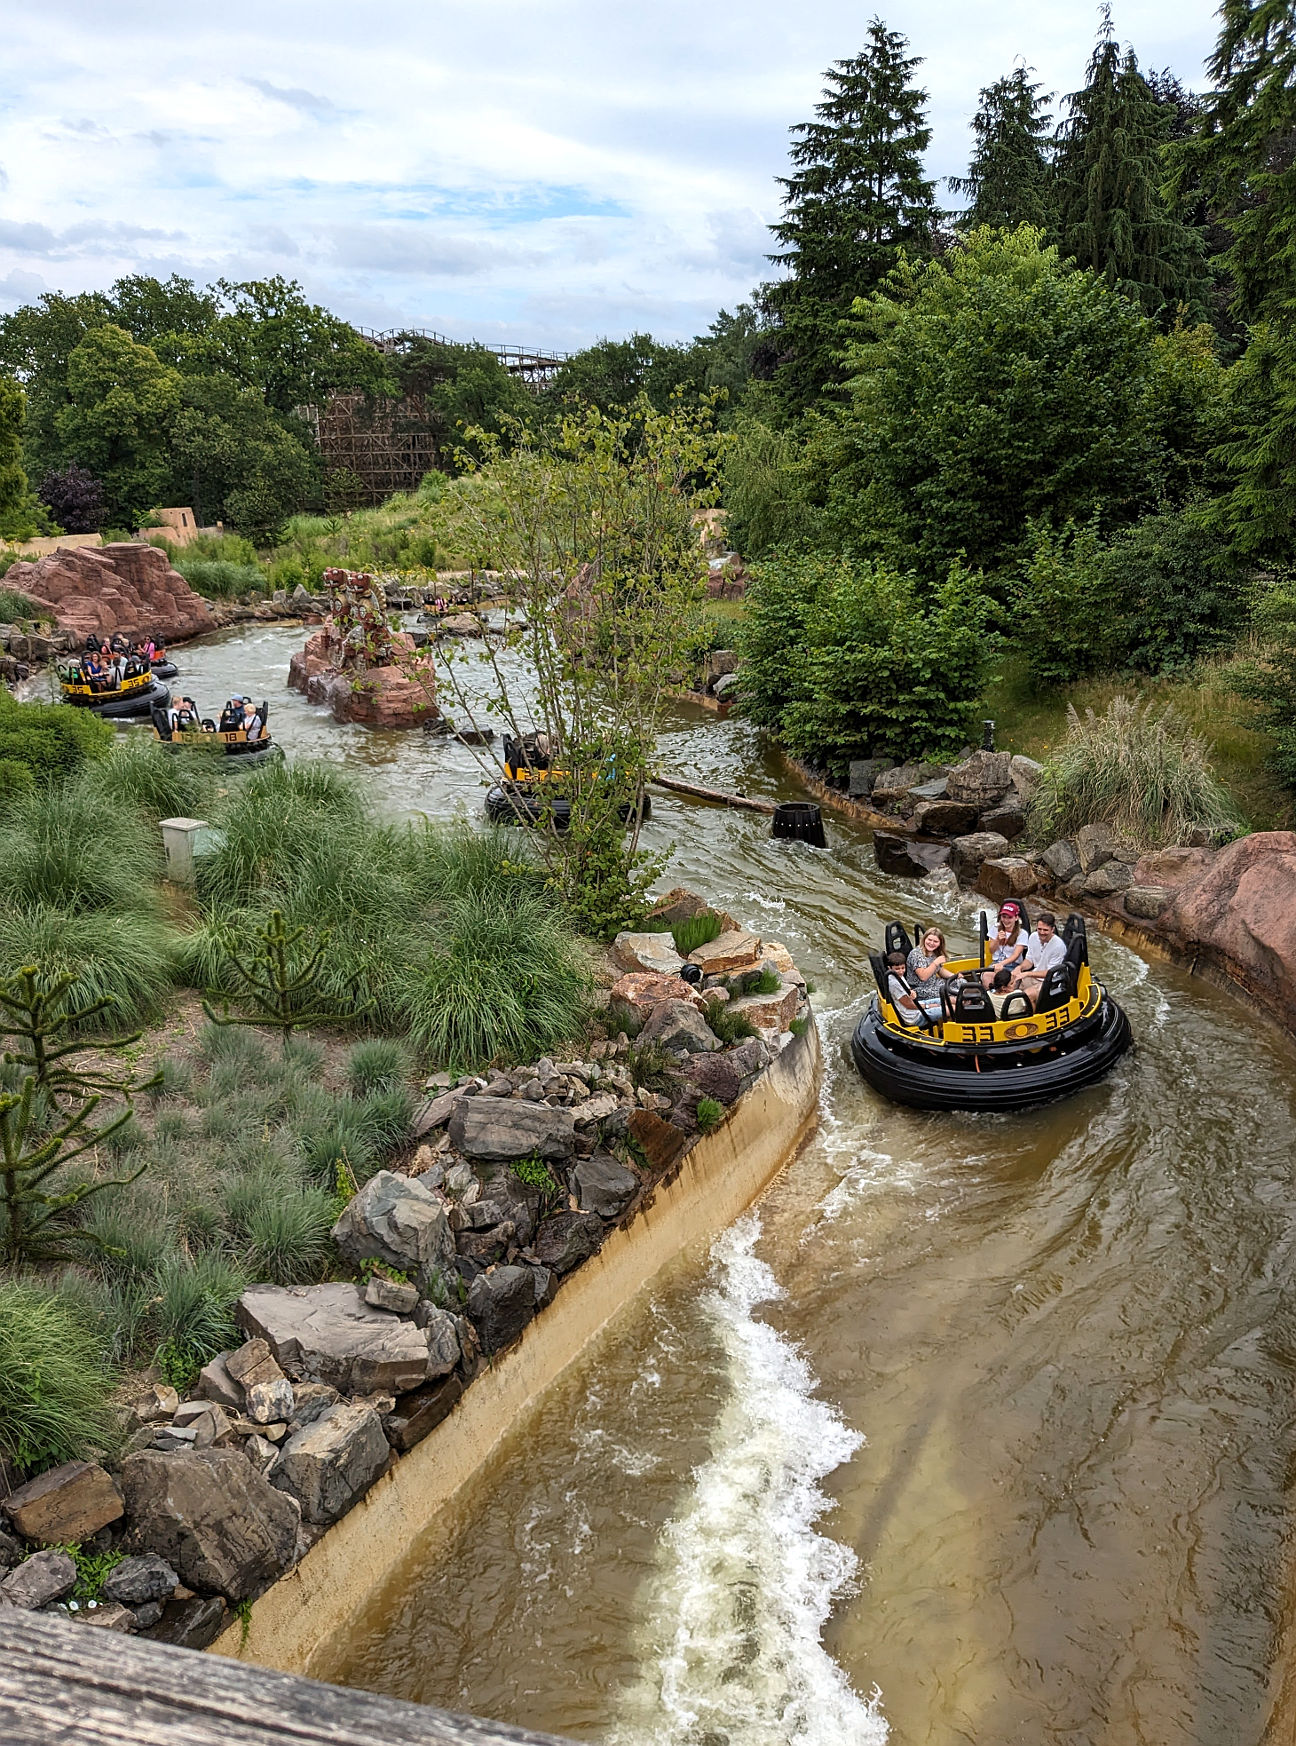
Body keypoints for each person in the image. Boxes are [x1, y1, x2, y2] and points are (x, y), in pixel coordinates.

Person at [1014, 912, 1067, 1002]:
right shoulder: (1033, 937)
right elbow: (1030, 960)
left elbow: (1050, 973)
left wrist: (1027, 974)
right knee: (1010, 985)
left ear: (1052, 929)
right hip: (1034, 975)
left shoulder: (1059, 946)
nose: (1042, 933)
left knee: (1027, 996)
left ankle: (1030, 1014)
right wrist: (1020, 967)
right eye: (1039, 929)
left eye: (1045, 930)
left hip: (1049, 981)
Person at [906, 927, 952, 1020]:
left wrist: (954, 976)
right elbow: (923, 976)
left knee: (961, 983)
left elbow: (939, 970)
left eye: (935, 941)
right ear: (924, 939)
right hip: (920, 989)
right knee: (952, 994)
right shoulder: (917, 955)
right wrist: (935, 962)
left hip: (934, 983)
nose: (931, 943)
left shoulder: (934, 952)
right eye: (929, 940)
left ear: (940, 943)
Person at [981, 902, 1028, 987]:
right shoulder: (995, 928)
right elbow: (991, 950)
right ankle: (990, 997)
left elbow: (1016, 955)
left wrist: (1002, 964)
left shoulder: (1022, 933)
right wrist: (997, 940)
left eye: (1010, 917)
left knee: (1009, 982)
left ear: (1016, 918)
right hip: (996, 963)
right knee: (986, 976)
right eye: (1004, 917)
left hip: (1013, 966)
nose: (1006, 920)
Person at [885, 951, 927, 1027]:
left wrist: (912, 992)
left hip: (916, 1006)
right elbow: (908, 1005)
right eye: (897, 969)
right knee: (948, 1008)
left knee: (949, 1001)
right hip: (913, 1016)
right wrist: (928, 1006)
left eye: (903, 968)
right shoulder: (894, 983)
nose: (901, 971)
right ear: (889, 968)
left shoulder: (898, 976)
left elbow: (908, 990)